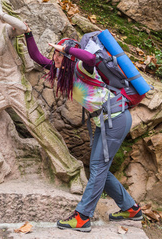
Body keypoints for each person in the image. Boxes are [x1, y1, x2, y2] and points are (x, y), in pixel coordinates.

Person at [0, 0, 86, 193]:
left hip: (16, 86)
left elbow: (23, 28)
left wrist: (2, 13)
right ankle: (0, 166)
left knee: (39, 128)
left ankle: (73, 172)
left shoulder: (6, 29)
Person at [24, 30, 143, 232]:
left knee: (97, 168)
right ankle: (130, 208)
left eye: (59, 54)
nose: (55, 57)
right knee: (99, 169)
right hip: (105, 122)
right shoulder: (62, 71)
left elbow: (91, 57)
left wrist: (68, 49)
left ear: (69, 56)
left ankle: (82, 217)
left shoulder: (83, 67)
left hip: (116, 119)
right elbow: (37, 57)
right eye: (55, 54)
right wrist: (28, 34)